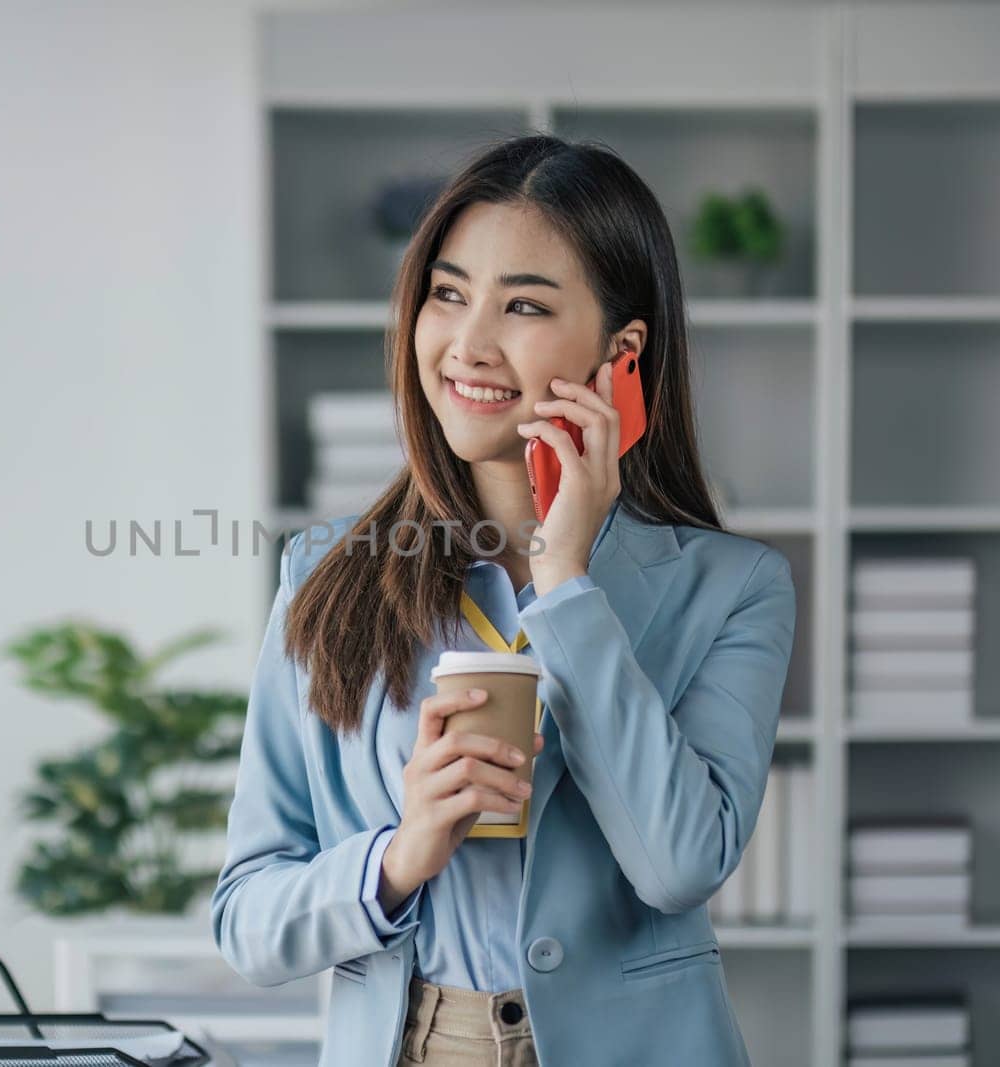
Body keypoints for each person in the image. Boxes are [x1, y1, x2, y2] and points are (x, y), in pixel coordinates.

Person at [211, 134, 798, 1066]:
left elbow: (681, 862)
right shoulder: (325, 576)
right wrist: (400, 856)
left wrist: (566, 582)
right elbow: (245, 919)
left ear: (622, 353)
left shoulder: (731, 587)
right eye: (448, 293)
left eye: (523, 304)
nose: (468, 343)